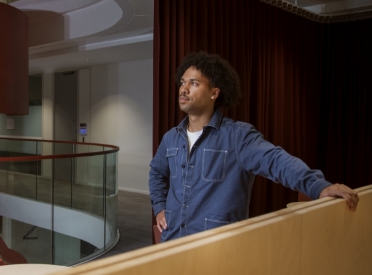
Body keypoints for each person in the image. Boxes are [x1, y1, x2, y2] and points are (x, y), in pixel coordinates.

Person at [149, 52, 359, 242]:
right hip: (173, 243)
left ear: (214, 93)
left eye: (194, 83)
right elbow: (157, 173)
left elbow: (276, 161)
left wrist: (318, 186)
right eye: (183, 82)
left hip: (218, 249)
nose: (183, 88)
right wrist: (160, 208)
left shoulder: (238, 136)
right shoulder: (170, 138)